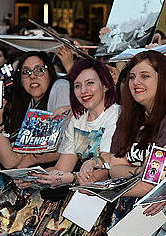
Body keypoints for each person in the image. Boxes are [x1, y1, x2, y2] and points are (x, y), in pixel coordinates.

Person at [109, 50, 166, 198]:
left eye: (145, 76)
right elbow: (114, 166)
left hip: (165, 202)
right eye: (132, 77)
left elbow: (157, 181)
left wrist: (107, 194)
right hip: (132, 196)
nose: (136, 82)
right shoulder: (130, 114)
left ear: (162, 80)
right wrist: (139, 171)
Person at [28, 59, 121, 188]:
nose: (83, 91)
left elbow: (106, 168)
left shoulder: (115, 115)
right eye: (77, 86)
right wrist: (31, 177)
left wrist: (73, 178)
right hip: (82, 188)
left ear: (105, 85)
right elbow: (62, 167)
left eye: (90, 83)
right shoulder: (77, 119)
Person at [0, 51, 69, 186]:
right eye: (25, 72)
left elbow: (65, 144)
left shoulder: (60, 87)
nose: (32, 76)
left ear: (50, 73)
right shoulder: (28, 105)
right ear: (20, 80)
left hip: (61, 176)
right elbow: (10, 161)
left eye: (39, 70)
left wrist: (28, 159)